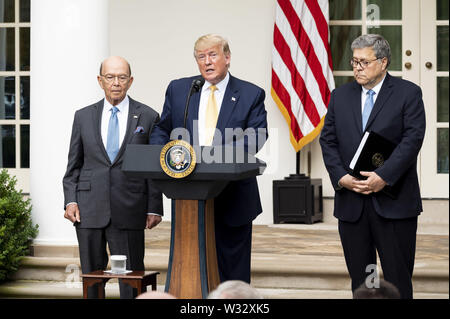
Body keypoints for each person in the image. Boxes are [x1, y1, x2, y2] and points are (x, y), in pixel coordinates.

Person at [150, 34, 268, 283]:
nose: (207, 62)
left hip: (233, 196)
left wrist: (215, 156)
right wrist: (165, 154)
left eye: (213, 55)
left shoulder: (250, 94)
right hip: (188, 196)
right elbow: (162, 128)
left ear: (227, 58)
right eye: (201, 57)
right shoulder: (181, 89)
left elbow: (256, 136)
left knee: (232, 277)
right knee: (191, 272)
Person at [319, 34, 425, 299]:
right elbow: (328, 140)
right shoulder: (339, 96)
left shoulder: (407, 93)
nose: (357, 67)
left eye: (364, 62)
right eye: (354, 61)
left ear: (383, 62)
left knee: (398, 278)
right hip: (352, 204)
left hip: (394, 203)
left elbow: (412, 140)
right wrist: (340, 177)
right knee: (363, 280)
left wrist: (384, 176)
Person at [63, 56, 163, 299]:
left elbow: (153, 168)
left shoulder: (148, 116)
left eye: (122, 77)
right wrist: (70, 201)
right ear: (100, 80)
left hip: (130, 209)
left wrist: (154, 207)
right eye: (110, 77)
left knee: (131, 282)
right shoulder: (83, 116)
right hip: (88, 210)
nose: (116, 82)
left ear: (130, 81)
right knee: (92, 280)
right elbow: (73, 166)